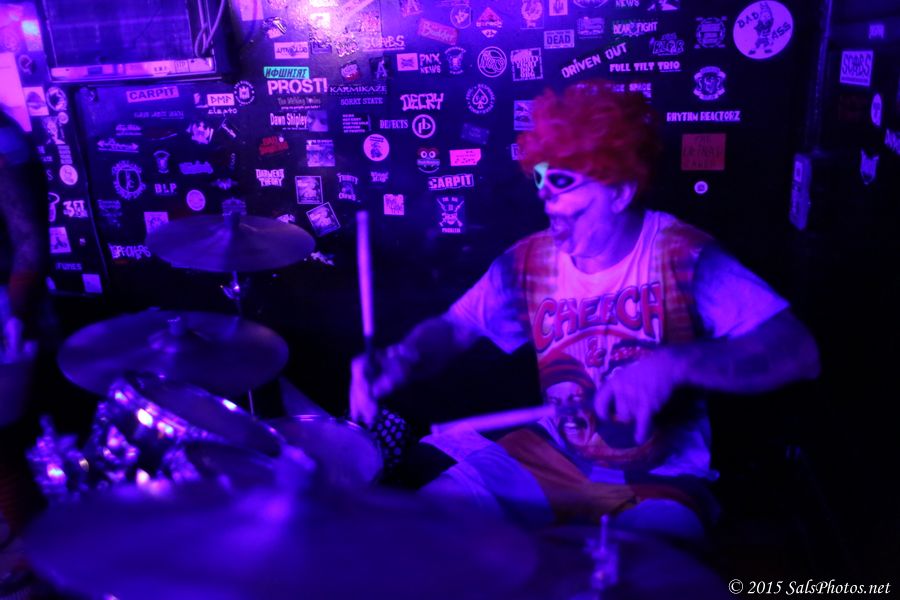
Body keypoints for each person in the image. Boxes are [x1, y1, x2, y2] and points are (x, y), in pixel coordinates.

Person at [350, 79, 820, 540]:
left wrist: (677, 363)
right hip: (552, 450)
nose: (546, 197)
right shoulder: (530, 262)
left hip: (660, 475)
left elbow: (798, 351)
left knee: (635, 571)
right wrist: (407, 356)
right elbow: (456, 329)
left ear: (620, 191)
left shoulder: (681, 255)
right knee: (430, 527)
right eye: (542, 178)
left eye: (563, 182)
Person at [0, 106, 49, 546]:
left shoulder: (3, 141)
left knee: (6, 445)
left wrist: (13, 316)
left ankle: (31, 551)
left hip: (11, 310)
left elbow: (29, 241)